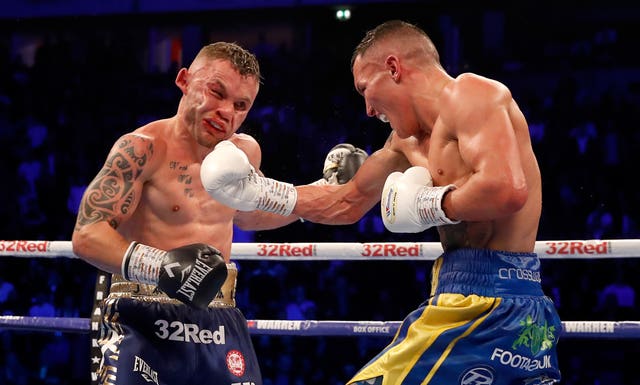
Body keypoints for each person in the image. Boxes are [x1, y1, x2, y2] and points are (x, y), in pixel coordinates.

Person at [201, 20, 562, 384]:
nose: (369, 110)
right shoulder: (402, 144)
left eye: (364, 88)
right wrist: (258, 193)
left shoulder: (471, 94)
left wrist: (428, 204)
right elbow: (347, 201)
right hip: (463, 298)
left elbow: (507, 190)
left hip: (494, 304)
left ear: (393, 68)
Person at [71, 41, 367, 385]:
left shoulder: (244, 152)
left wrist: (326, 186)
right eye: (216, 93)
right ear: (184, 80)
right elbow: (87, 235)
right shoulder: (143, 148)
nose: (227, 112)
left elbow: (250, 215)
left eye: (241, 105)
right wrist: (161, 267)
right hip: (140, 315)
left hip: (217, 316)